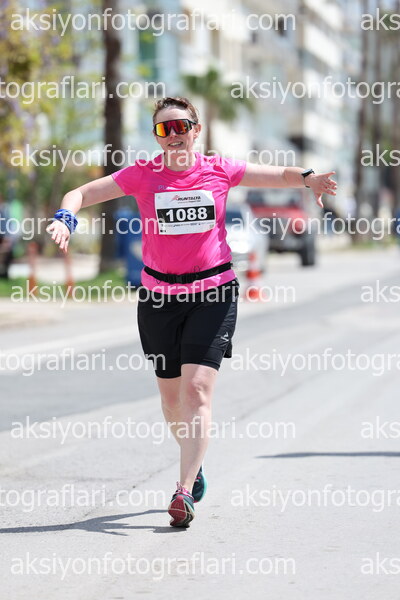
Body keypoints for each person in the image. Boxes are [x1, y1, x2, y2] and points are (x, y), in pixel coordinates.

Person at [46, 96, 337, 527]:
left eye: (181, 126)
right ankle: (194, 462)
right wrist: (65, 218)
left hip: (213, 294)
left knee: (196, 390)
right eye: (164, 129)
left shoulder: (219, 169)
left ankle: (183, 490)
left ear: (196, 130)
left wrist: (309, 178)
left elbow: (277, 173)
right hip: (158, 299)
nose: (174, 135)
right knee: (171, 400)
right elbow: (82, 192)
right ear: (157, 137)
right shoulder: (143, 174)